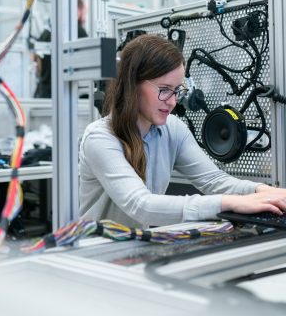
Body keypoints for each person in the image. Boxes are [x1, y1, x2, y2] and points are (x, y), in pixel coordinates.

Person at [79, 34, 286, 229]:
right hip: (98, 252)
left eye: (178, 90)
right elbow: (141, 205)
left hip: (137, 248)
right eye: (164, 90)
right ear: (133, 85)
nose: (172, 101)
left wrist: (264, 192)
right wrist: (230, 203)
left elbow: (214, 181)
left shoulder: (173, 129)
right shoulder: (100, 138)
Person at [33, 0, 88, 98]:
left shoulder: (46, 33)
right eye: (85, 12)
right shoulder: (78, 31)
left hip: (43, 94)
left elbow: (36, 63)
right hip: (64, 95)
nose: (85, 16)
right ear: (78, 10)